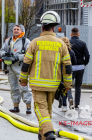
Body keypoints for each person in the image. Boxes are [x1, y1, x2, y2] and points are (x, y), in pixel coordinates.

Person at [19, 11, 72, 140]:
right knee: (47, 111)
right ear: (54, 27)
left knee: (40, 109)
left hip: (38, 84)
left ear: (42, 27)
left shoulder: (35, 42)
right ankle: (42, 136)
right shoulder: (61, 44)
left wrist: (23, 79)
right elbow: (68, 67)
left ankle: (48, 133)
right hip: (53, 85)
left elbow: (26, 63)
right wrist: (67, 85)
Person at [0, 25, 32, 114]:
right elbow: (2, 50)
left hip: (21, 68)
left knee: (23, 87)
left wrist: (18, 57)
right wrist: (4, 55)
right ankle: (16, 106)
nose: (16, 31)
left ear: (21, 31)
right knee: (13, 88)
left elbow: (29, 54)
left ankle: (28, 107)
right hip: (10, 68)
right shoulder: (9, 41)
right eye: (14, 29)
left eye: (18, 29)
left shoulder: (25, 41)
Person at [70, 27, 90, 109]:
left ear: (71, 34)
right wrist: (84, 63)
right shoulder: (83, 43)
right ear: (78, 34)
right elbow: (87, 55)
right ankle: (76, 104)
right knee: (78, 86)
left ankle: (70, 99)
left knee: (68, 85)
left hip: (70, 67)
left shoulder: (68, 43)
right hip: (80, 67)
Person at [61, 37, 77, 111]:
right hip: (69, 71)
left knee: (63, 89)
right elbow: (75, 62)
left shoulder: (59, 51)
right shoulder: (71, 51)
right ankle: (70, 99)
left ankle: (64, 105)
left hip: (60, 71)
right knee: (68, 87)